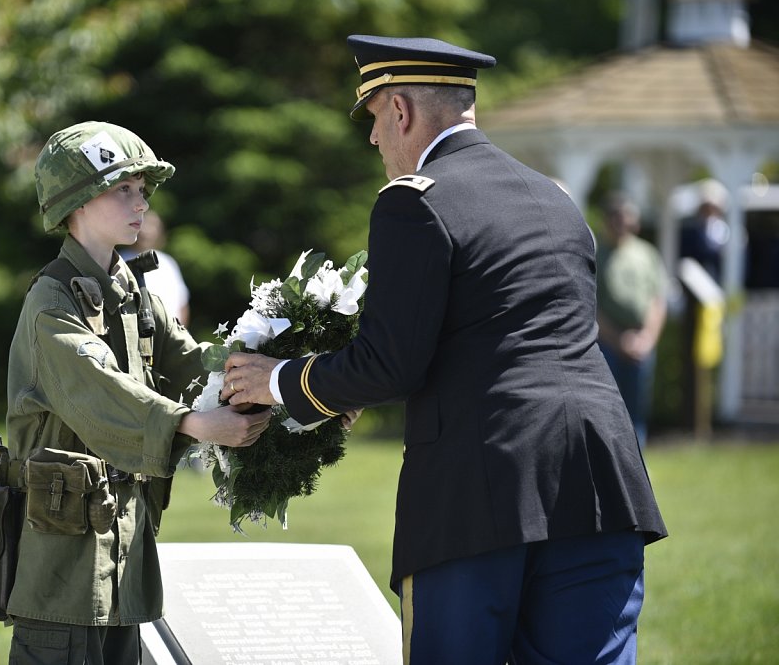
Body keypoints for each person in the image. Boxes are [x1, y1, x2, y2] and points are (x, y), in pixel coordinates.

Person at [222, 35, 667, 664]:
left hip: (480, 490)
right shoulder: (558, 199)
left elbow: (390, 364)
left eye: (374, 118)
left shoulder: (414, 200)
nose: (374, 139)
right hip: (602, 480)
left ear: (399, 110)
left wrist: (276, 381)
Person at [4, 121, 269, 665]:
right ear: (76, 202)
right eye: (122, 188)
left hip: (121, 555)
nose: (141, 201)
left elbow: (193, 363)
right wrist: (191, 425)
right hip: (64, 569)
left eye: (142, 189)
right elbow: (103, 394)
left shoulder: (126, 289)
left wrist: (284, 378)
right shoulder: (51, 304)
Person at [595, 192, 668, 448]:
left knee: (637, 411)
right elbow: (593, 307)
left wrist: (647, 338)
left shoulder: (646, 254)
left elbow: (657, 301)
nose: (620, 223)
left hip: (641, 342)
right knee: (609, 409)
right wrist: (618, 340)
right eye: (614, 218)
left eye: (624, 218)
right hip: (608, 345)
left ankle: (638, 460)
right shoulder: (597, 255)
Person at [118, 210, 191, 325]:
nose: (146, 231)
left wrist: (180, 333)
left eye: (152, 226)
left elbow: (182, 303)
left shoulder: (168, 262)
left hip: (170, 333)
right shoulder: (119, 260)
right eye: (143, 224)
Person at [678, 179, 730, 284]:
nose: (709, 211)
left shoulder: (724, 229)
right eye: (706, 208)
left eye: (712, 208)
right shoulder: (692, 230)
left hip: (718, 279)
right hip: (696, 280)